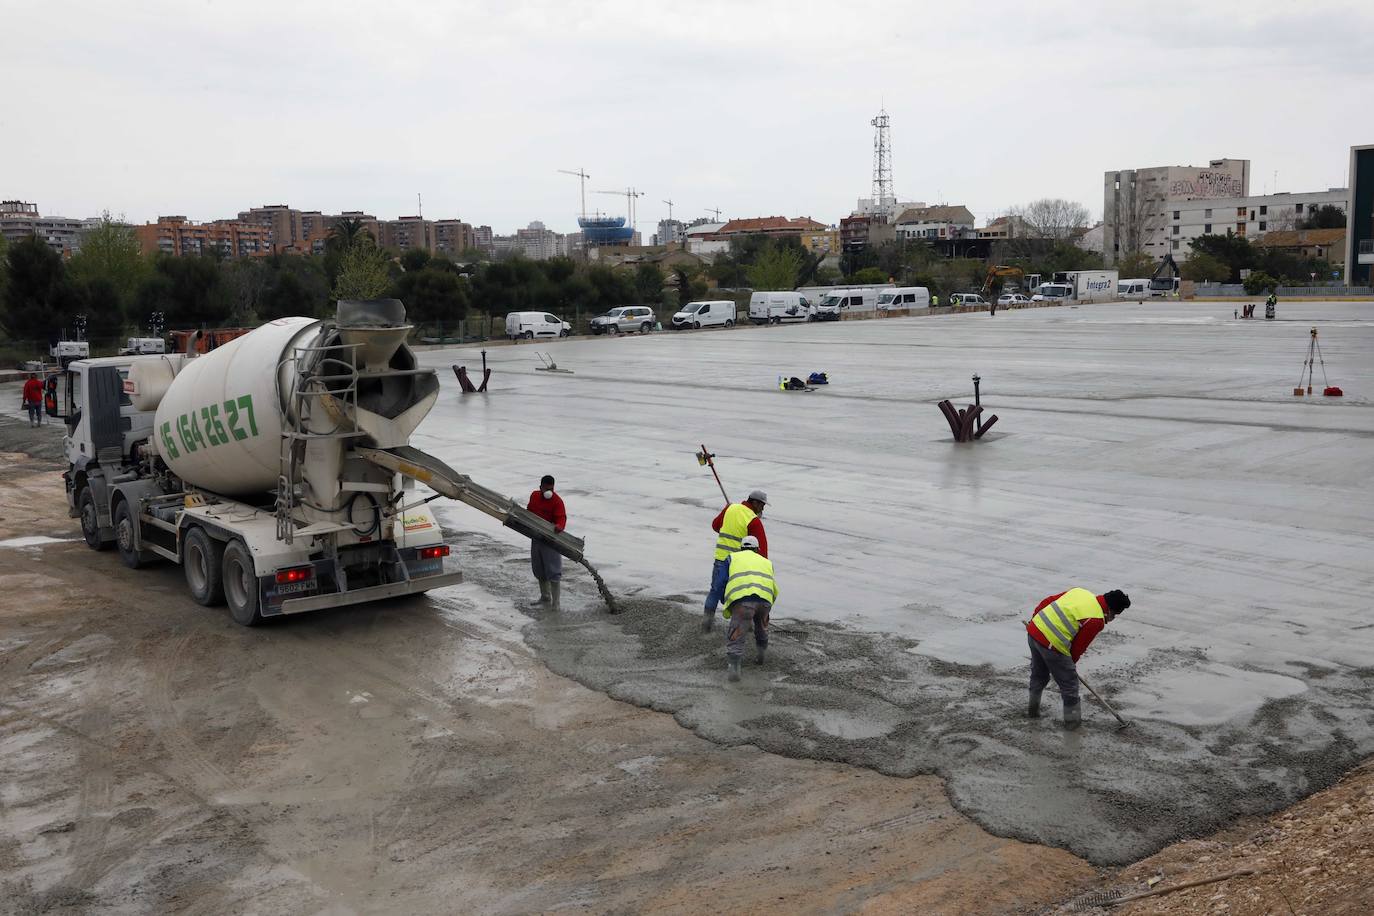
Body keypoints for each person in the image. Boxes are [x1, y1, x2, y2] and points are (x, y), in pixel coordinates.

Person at [1026, 587, 1131, 728]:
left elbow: (1048, 601)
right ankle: (1072, 724)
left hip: (1034, 631)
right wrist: (1068, 668)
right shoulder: (1096, 620)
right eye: (1114, 616)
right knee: (1070, 685)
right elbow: (1077, 648)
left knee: (1039, 675)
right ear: (1110, 611)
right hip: (1052, 645)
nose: (1111, 620)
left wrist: (1035, 620)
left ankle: (1032, 712)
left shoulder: (1080, 592)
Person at [703, 489, 768, 632]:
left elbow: (716, 526)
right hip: (739, 565)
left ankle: (706, 625)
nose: (763, 509)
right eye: (762, 505)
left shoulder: (730, 508)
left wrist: (728, 513)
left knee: (714, 591)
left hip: (720, 560)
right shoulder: (753, 520)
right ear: (755, 503)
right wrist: (762, 568)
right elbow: (761, 548)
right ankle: (744, 627)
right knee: (741, 595)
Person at [722, 535, 777, 681]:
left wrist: (725, 602)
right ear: (757, 549)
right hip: (765, 600)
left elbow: (722, 581)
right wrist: (768, 607)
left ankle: (734, 669)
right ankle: (761, 656)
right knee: (762, 628)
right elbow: (773, 587)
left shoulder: (732, 558)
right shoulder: (767, 562)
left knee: (737, 632)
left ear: (741, 548)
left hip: (743, 602)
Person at [526, 475, 567, 611]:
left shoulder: (557, 501)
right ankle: (545, 596)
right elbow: (529, 511)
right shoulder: (535, 496)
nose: (548, 491)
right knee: (539, 568)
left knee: (553, 570)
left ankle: (556, 603)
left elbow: (561, 517)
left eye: (551, 489)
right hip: (536, 537)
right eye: (546, 489)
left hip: (551, 540)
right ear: (541, 487)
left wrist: (559, 526)